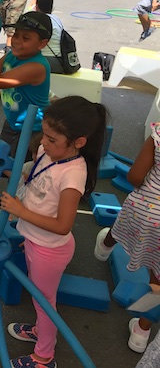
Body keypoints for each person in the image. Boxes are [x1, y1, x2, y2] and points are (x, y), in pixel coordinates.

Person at [1, 96, 108, 368]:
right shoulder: (50, 153)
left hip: (50, 248)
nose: (43, 143)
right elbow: (42, 186)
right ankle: (40, 331)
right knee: (41, 300)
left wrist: (21, 212)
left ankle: (44, 357)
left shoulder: (73, 174)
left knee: (44, 303)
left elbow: (63, 225)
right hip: (35, 240)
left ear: (79, 142)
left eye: (52, 139)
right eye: (44, 135)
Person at [94, 122, 160, 353]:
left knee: (121, 227)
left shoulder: (159, 134)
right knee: (159, 275)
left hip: (146, 208)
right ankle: (141, 332)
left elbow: (135, 176)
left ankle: (104, 247)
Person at [0, 11, 52, 157]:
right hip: (14, 122)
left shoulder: (37, 66)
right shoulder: (12, 55)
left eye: (26, 38)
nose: (17, 41)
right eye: (16, 35)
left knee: (22, 170)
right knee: (5, 162)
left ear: (42, 43)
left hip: (33, 129)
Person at [36, 0, 64, 74]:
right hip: (61, 60)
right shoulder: (57, 19)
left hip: (47, 60)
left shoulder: (39, 21)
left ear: (37, 7)